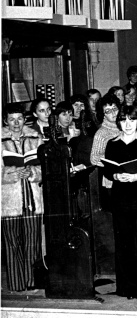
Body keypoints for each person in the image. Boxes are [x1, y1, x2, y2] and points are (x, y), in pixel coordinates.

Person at [103, 105, 137, 300]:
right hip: (121, 196)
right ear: (119, 122)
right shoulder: (113, 143)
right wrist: (117, 175)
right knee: (124, 242)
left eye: (132, 120)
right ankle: (126, 288)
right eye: (124, 120)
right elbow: (107, 169)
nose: (128, 124)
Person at [1, 104, 44, 292]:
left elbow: (45, 167)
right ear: (5, 121)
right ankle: (17, 285)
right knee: (12, 242)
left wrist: (33, 172)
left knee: (32, 241)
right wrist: (10, 174)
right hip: (10, 199)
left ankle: (32, 282)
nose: (16, 123)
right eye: (12, 119)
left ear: (25, 119)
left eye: (20, 118)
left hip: (32, 197)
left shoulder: (36, 138)